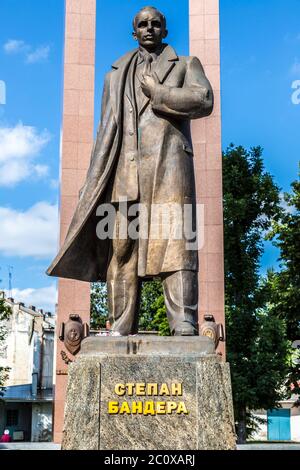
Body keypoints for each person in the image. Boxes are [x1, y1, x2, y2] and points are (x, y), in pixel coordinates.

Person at [47, 6, 213, 336]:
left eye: (155, 24)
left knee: (176, 244)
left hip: (169, 166)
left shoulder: (185, 64)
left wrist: (160, 94)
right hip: (126, 171)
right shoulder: (115, 75)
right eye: (142, 25)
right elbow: (106, 130)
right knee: (121, 247)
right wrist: (92, 181)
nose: (149, 29)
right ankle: (120, 323)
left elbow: (203, 99)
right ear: (133, 32)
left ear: (165, 31)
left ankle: (183, 321)